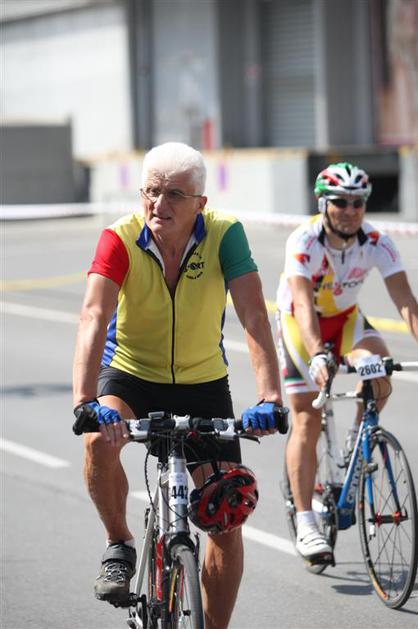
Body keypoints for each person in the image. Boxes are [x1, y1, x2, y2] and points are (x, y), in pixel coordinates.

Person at [73, 142, 285, 629]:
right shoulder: (119, 237)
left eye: (174, 194)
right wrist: (85, 399)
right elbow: (93, 314)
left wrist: (270, 397)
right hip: (131, 373)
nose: (158, 204)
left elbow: (254, 314)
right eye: (150, 191)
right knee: (98, 442)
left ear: (200, 204)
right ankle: (119, 542)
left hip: (201, 381)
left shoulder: (225, 234)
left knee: (226, 516)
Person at [276, 161, 418, 564]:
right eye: (341, 201)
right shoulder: (305, 240)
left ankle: (359, 437)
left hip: (346, 319)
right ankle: (306, 521)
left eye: (358, 202)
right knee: (306, 417)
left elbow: (406, 301)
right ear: (323, 203)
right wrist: (318, 353)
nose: (351, 210)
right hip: (301, 323)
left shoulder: (376, 241)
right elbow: (302, 303)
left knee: (380, 371)